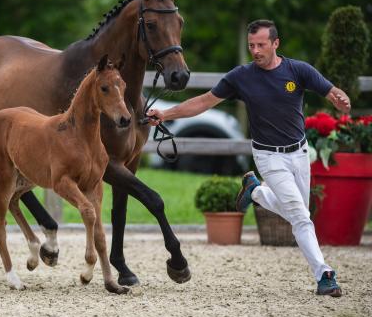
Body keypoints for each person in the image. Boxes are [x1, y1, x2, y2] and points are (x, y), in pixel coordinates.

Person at [147, 19, 350, 297]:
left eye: (261, 45)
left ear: (275, 44)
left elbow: (330, 91)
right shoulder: (240, 77)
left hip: (299, 153)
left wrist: (339, 98)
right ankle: (324, 275)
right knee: (301, 218)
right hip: (268, 156)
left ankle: (255, 192)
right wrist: (165, 114)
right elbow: (204, 101)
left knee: (298, 214)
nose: (256, 50)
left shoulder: (298, 70)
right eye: (251, 45)